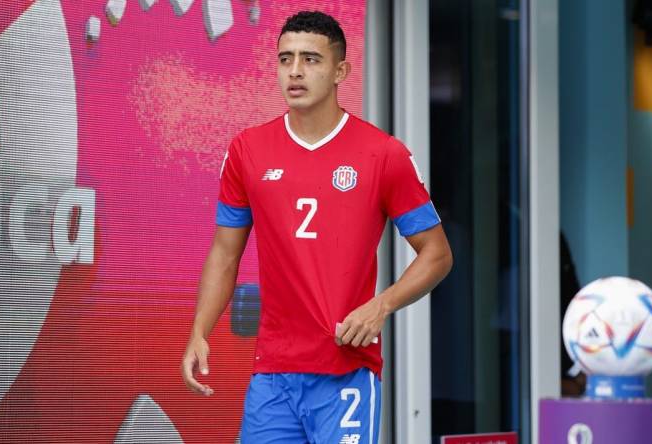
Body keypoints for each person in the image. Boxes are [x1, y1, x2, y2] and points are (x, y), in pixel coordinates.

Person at [182, 10, 452, 444]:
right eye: (285, 59)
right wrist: (200, 330)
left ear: (340, 70)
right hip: (273, 374)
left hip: (345, 371)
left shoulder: (383, 155)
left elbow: (437, 253)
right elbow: (224, 254)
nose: (295, 71)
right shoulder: (246, 151)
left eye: (311, 59)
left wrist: (380, 306)